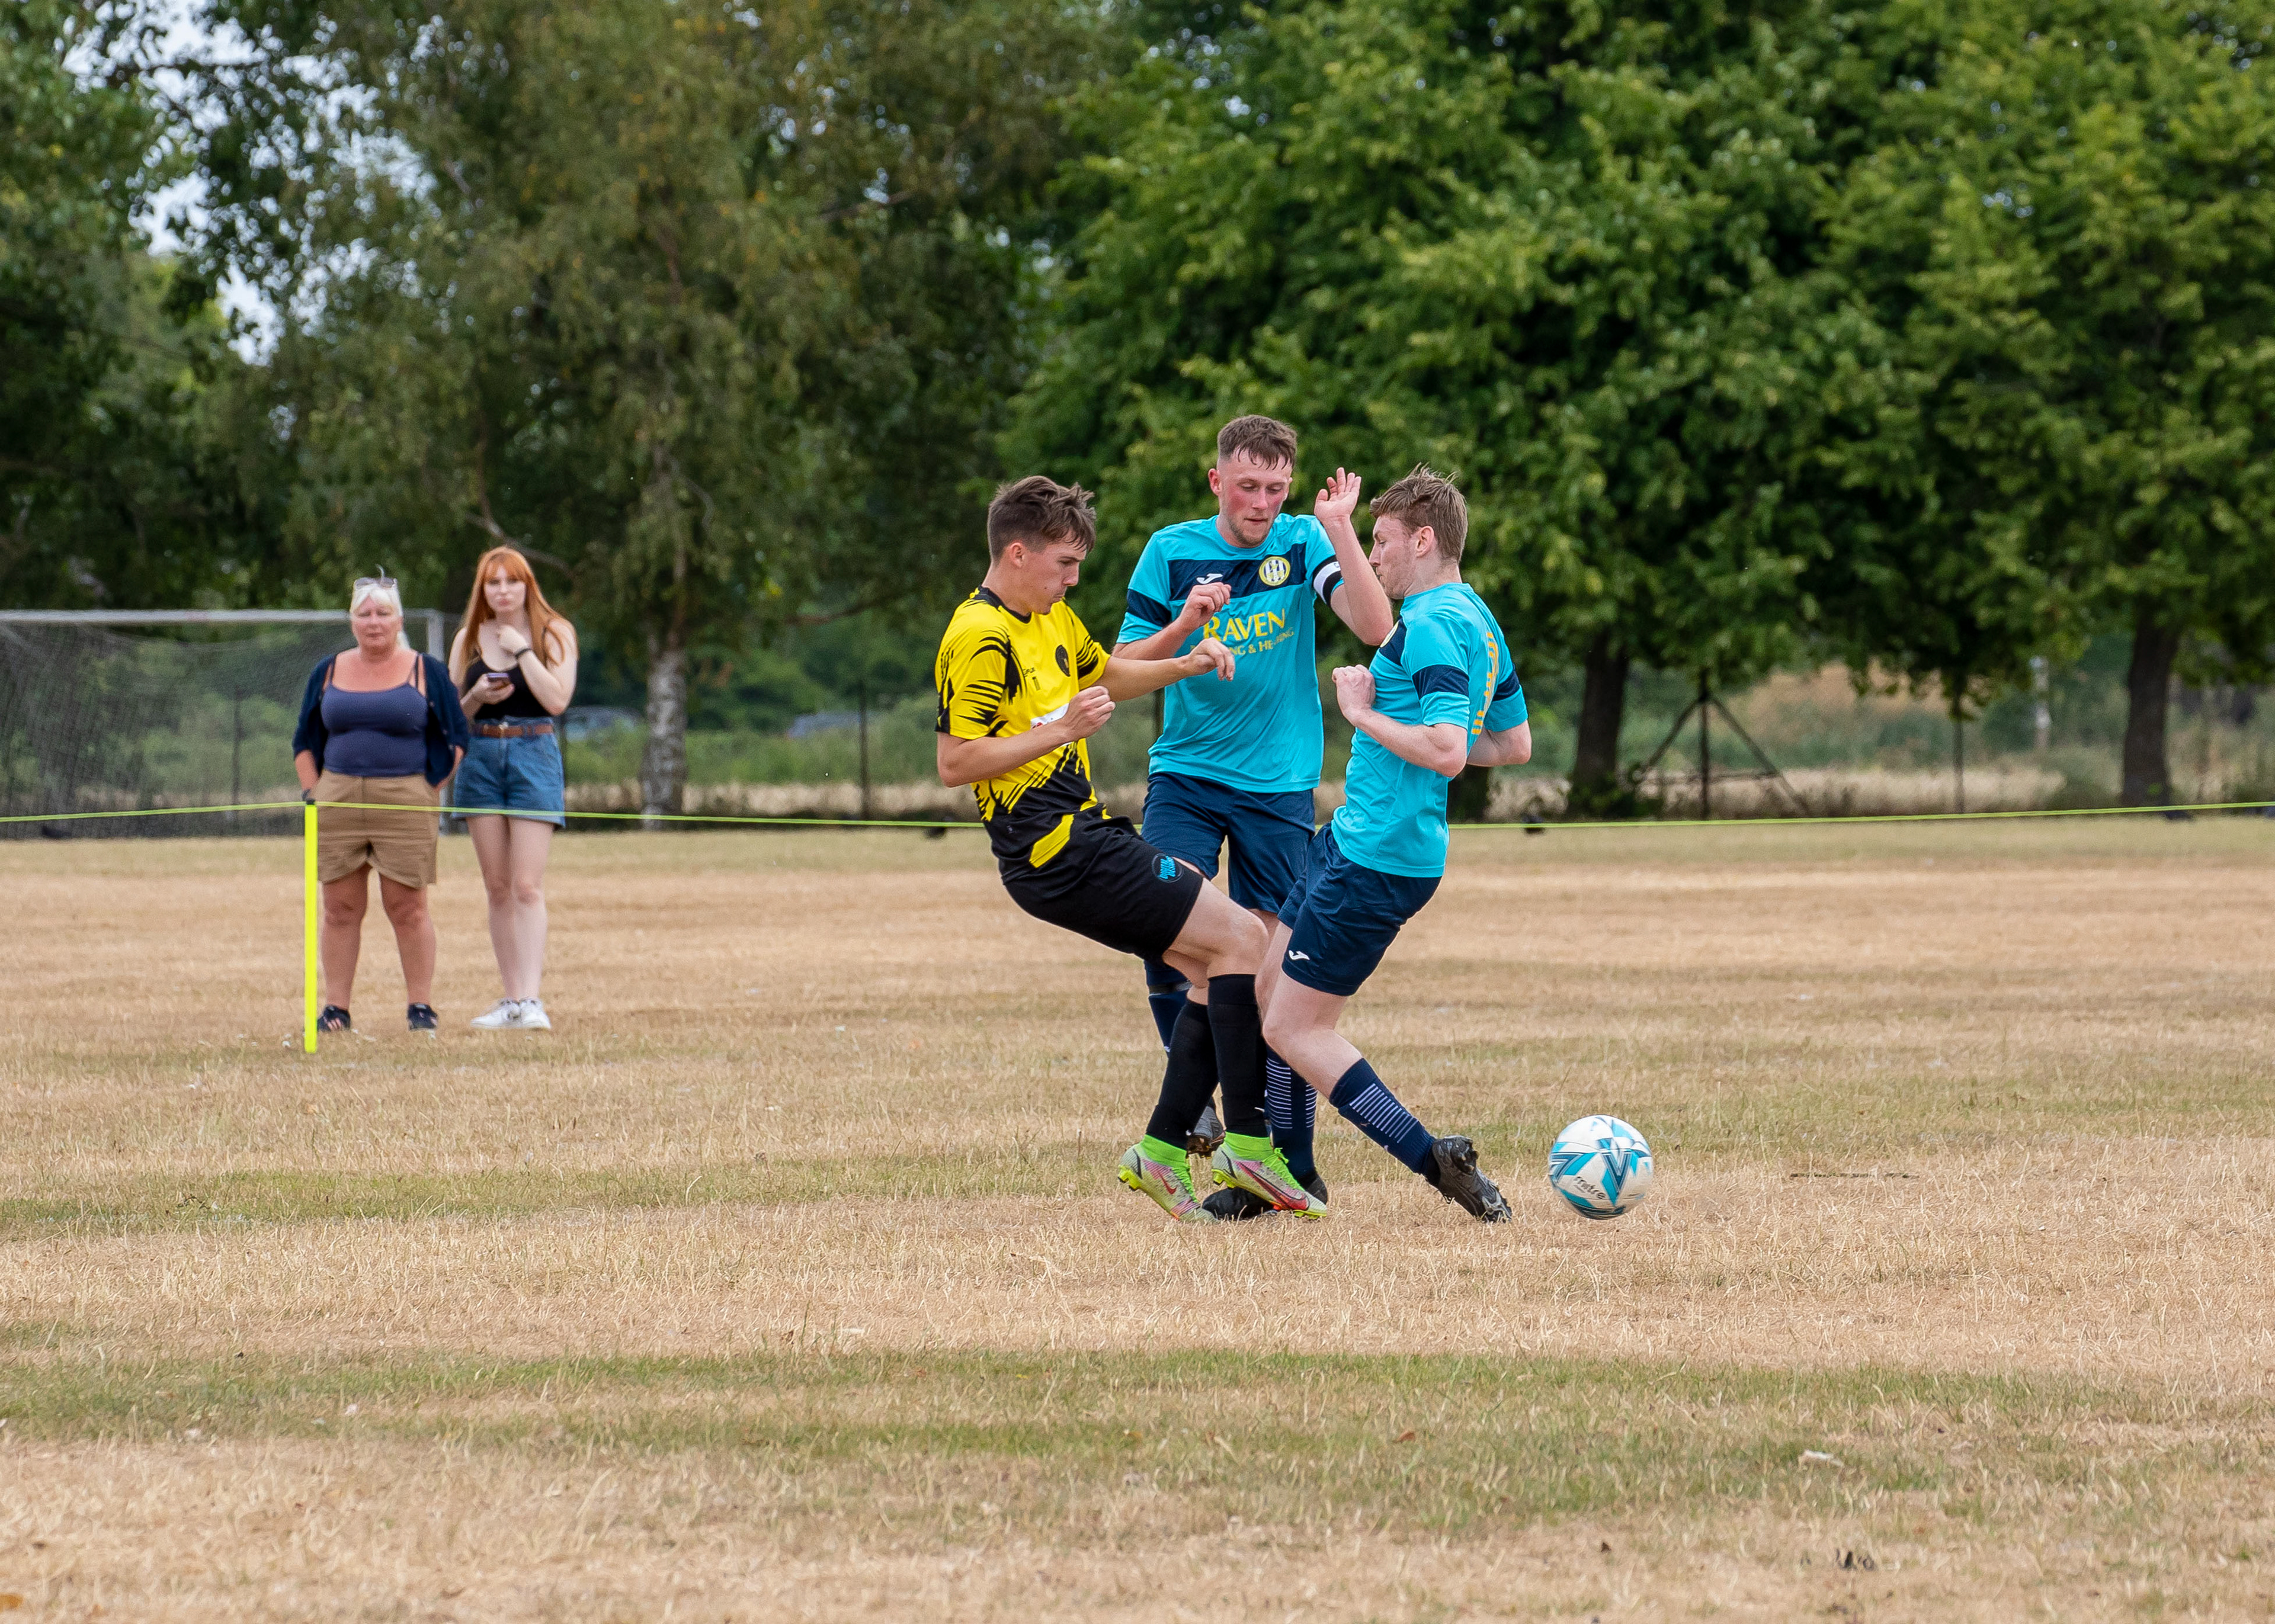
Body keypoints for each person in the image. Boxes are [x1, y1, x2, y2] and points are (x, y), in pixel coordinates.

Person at [935, 476, 1316, 1224]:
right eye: (1065, 564)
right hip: (1054, 851)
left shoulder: (1048, 615)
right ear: (1018, 554)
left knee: (1215, 965)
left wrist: (1185, 662)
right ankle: (1248, 1143)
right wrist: (1061, 731)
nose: (1074, 579)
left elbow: (1106, 672)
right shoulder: (979, 636)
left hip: (1086, 833)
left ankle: (1161, 1153)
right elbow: (955, 761)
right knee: (1244, 937)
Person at [1113, 415, 1394, 1220]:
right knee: (1167, 924)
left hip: (1279, 786)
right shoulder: (1171, 551)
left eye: (1276, 488)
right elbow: (1123, 667)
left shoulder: (1303, 542)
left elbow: (1376, 627)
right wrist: (1185, 629)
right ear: (1217, 482)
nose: (1263, 503)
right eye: (1248, 487)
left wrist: (1340, 528)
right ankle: (1198, 1105)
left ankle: (1271, 1160)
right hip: (1187, 773)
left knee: (1266, 975)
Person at [1257, 466, 1533, 1222]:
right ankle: (1292, 1176)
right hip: (1349, 842)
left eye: (1381, 542)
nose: (1374, 558)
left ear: (1423, 540)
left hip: (1375, 860)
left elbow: (1447, 751)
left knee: (1294, 1027)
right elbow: (1511, 744)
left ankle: (1434, 1160)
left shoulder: (1434, 623)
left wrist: (1362, 715)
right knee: (1268, 991)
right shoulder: (1476, 617)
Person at [292, 576, 472, 1036]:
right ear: (352, 621)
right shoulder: (327, 671)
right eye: (364, 613)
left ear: (399, 620)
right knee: (340, 907)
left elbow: (456, 735)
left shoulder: (427, 671)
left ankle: (420, 1008)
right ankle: (336, 1009)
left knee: (408, 906)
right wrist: (315, 792)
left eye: (383, 613)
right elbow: (304, 739)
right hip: (337, 800)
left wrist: (429, 787)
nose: (374, 622)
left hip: (406, 799)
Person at [449, 546, 579, 1031]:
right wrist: (476, 696)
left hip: (533, 753)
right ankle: (510, 1001)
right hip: (481, 756)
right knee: (498, 887)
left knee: (527, 886)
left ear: (528, 585)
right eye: (493, 583)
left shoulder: (555, 632)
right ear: (482, 590)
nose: (503, 591)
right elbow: (452, 715)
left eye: (512, 581)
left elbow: (557, 700)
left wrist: (522, 651)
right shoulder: (468, 638)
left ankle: (531, 1000)